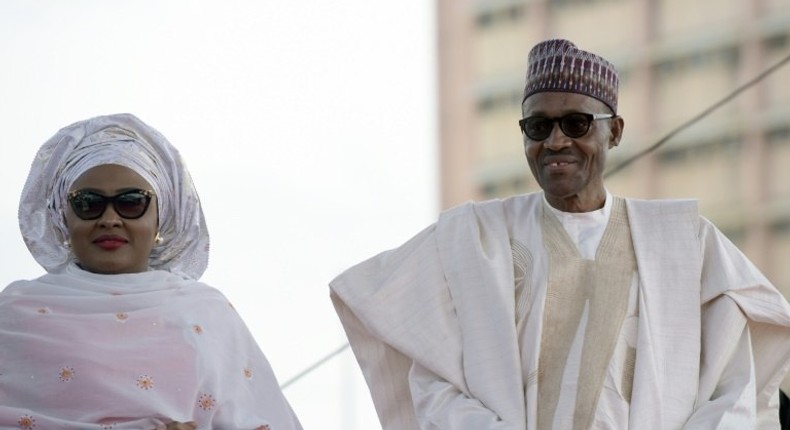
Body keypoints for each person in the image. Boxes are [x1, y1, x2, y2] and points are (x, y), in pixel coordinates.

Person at [330, 39, 790, 429]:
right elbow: (432, 380)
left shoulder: (685, 243)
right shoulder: (474, 239)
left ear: (615, 132)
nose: (555, 142)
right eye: (538, 126)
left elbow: (733, 387)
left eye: (576, 123)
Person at [0, 113, 303, 430]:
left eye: (131, 203)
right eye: (88, 203)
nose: (110, 219)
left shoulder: (205, 314)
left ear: (162, 217)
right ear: (64, 217)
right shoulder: (14, 314)